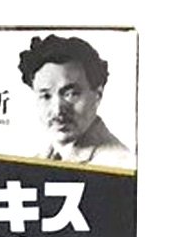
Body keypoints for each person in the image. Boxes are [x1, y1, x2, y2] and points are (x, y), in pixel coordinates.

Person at [18, 34, 135, 168]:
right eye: (46, 96)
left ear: (98, 95)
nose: (57, 110)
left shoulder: (118, 164)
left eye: (71, 94)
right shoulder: (37, 161)